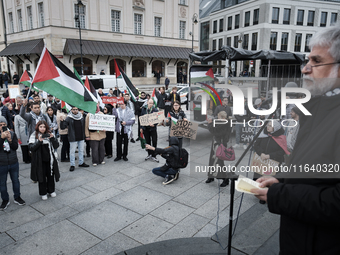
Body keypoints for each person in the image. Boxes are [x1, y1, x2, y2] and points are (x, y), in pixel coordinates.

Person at [28, 121, 59, 200]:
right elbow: (31, 147)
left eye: (44, 127)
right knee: (41, 176)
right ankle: (43, 192)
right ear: (38, 127)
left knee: (50, 175)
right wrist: (39, 141)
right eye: (41, 127)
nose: (42, 128)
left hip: (50, 159)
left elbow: (56, 145)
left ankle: (51, 190)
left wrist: (52, 138)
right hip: (39, 160)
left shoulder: (49, 133)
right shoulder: (34, 135)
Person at [0, 116, 25, 210]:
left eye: (4, 125)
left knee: (15, 180)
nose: (2, 126)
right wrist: (2, 139)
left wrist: (10, 140)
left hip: (13, 161)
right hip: (1, 163)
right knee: (2, 183)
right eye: (0, 125)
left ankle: (17, 197)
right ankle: (5, 199)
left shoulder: (12, 133)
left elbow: (15, 147)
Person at [205, 111, 231, 187]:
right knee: (212, 160)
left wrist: (209, 124)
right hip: (216, 143)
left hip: (220, 144)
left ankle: (225, 179)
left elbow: (215, 131)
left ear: (223, 118)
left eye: (219, 117)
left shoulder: (225, 124)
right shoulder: (223, 122)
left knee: (219, 162)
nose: (217, 118)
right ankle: (211, 176)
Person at [60, 106, 89, 171]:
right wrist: (62, 121)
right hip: (73, 137)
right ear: (71, 110)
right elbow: (63, 127)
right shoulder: (69, 118)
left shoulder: (81, 117)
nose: (75, 111)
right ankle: (72, 165)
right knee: (72, 152)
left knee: (81, 150)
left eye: (76, 109)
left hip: (81, 136)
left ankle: (81, 163)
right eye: (74, 110)